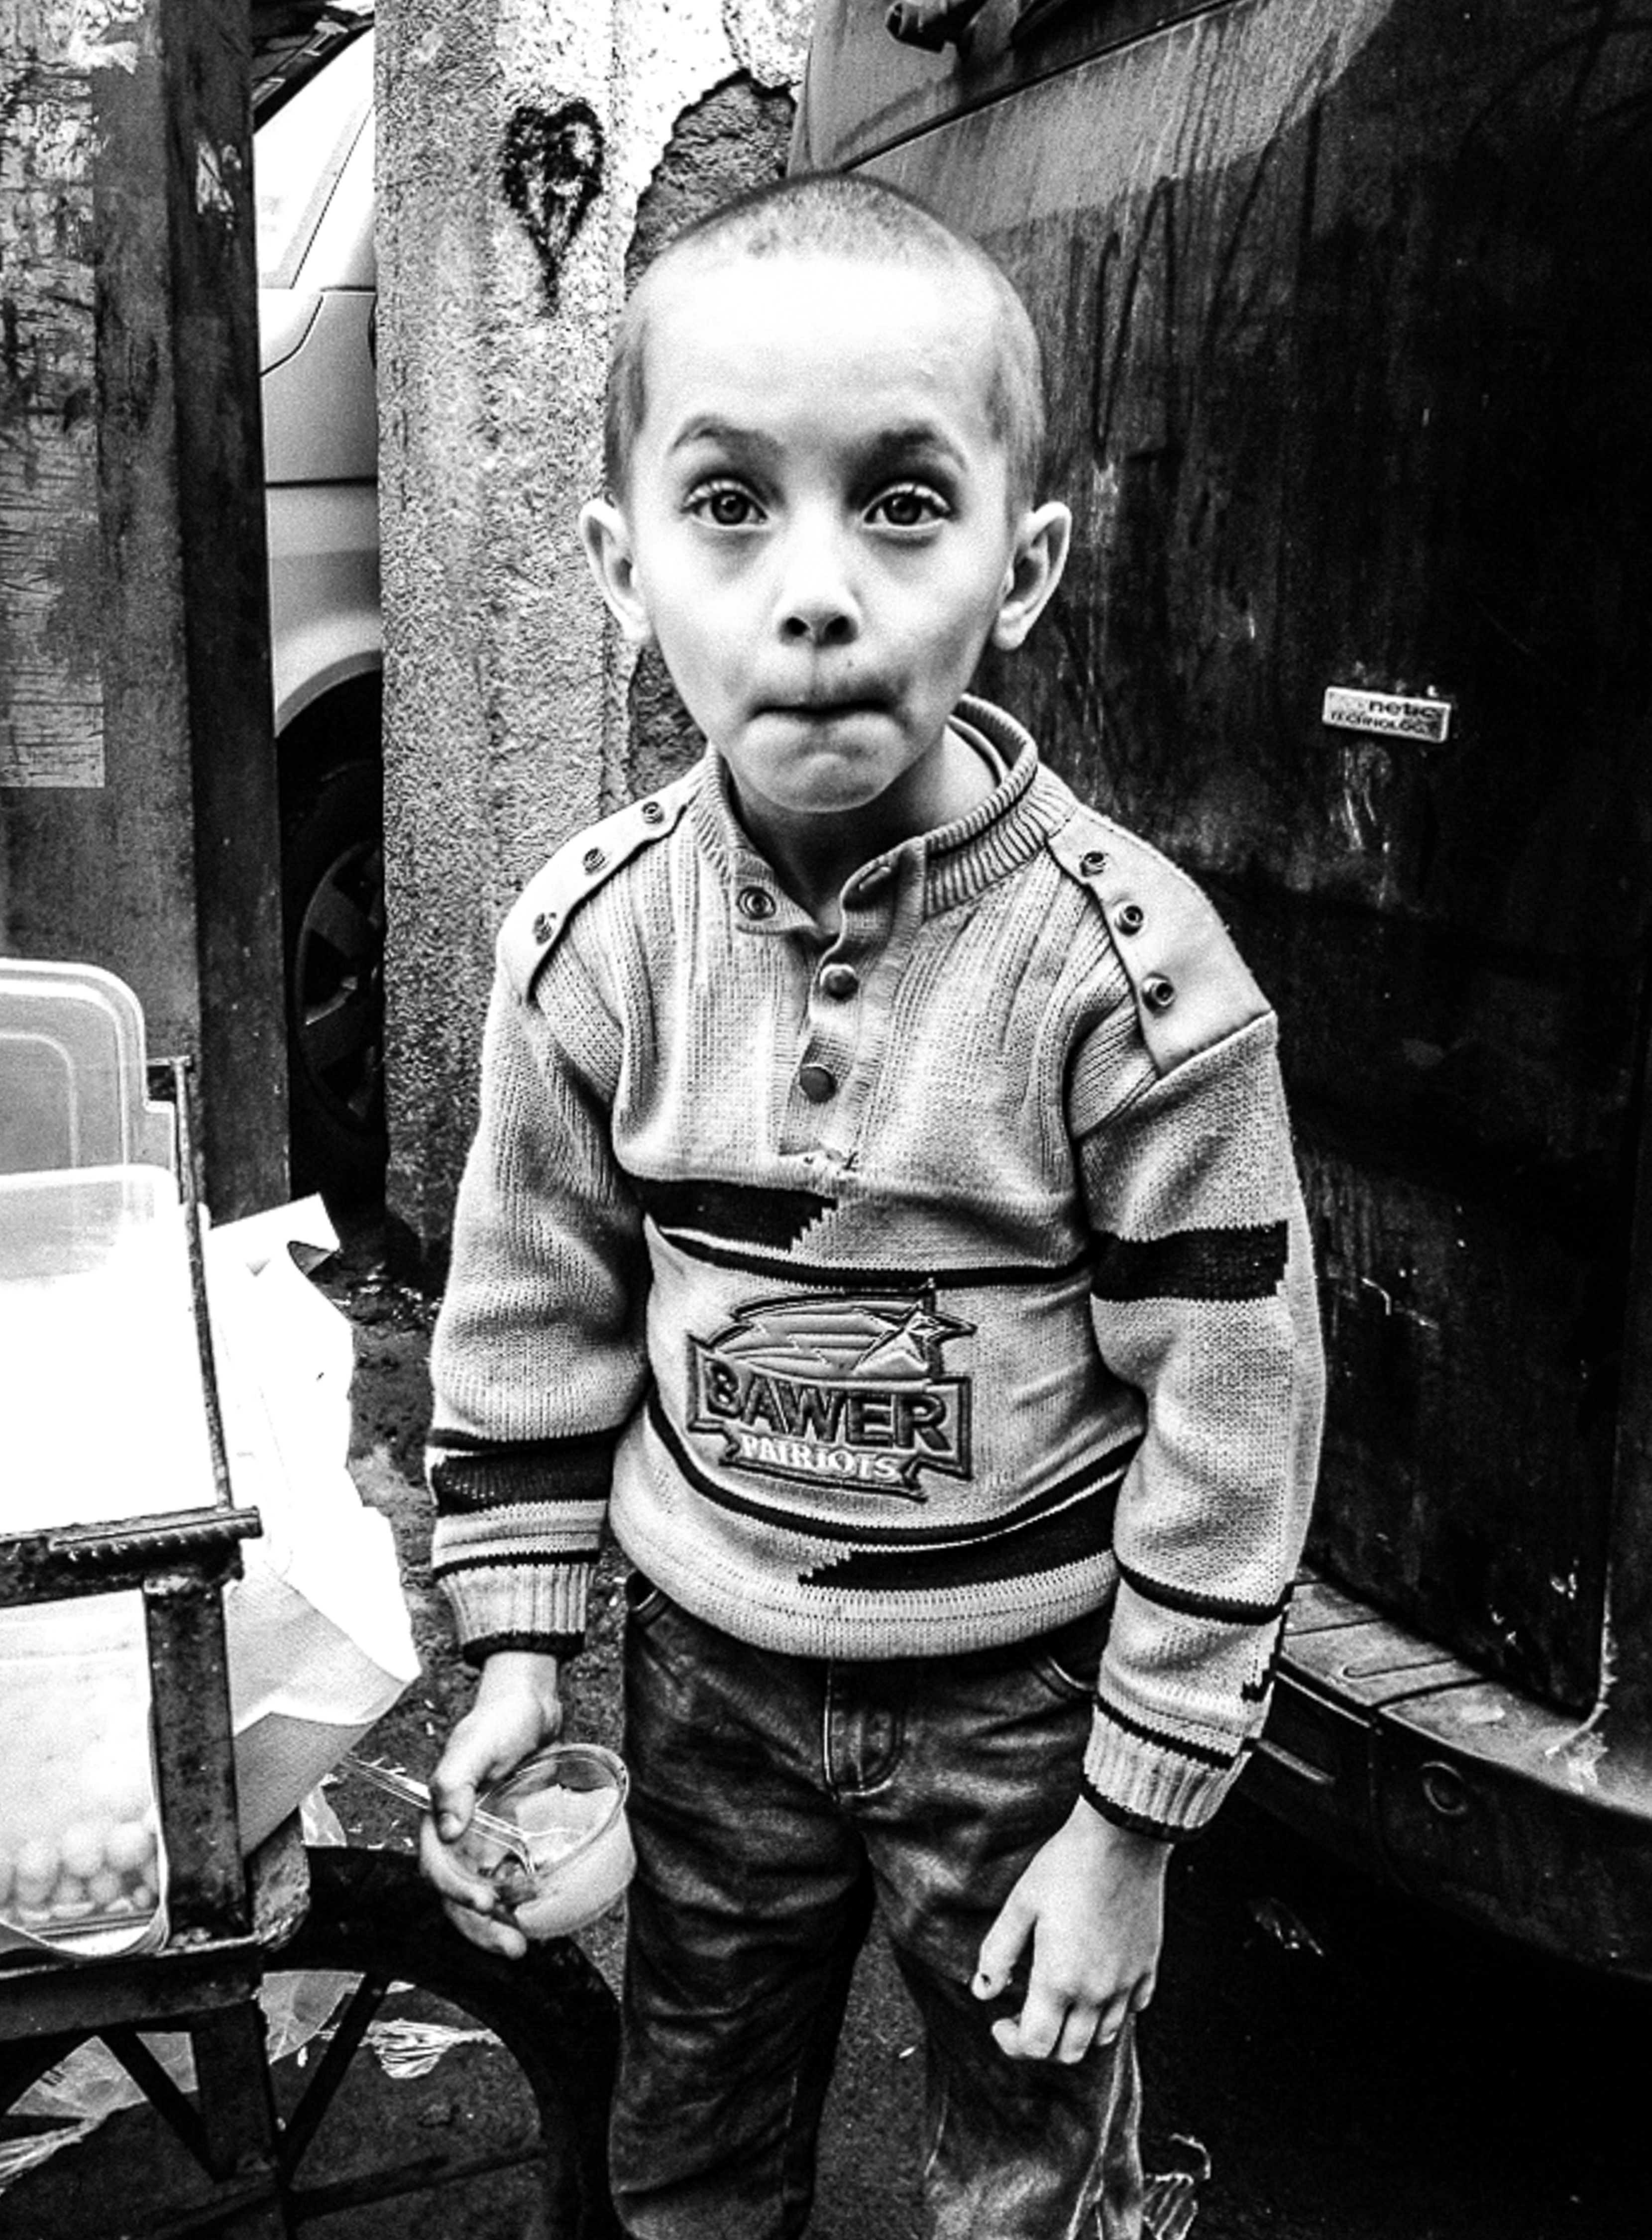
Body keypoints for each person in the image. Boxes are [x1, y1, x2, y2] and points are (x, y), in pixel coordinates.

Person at [419, 170, 1325, 2240]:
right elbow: (536, 1303)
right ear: (619, 565)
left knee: (1027, 2168)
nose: (814, 591)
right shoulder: (588, 948)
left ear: (1024, 565)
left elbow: (1232, 1415)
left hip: (1023, 1707)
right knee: (687, 2148)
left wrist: (1129, 1830)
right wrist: (520, 1659)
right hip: (706, 1688)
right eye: (729, 505)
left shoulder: (1131, 983)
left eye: (902, 506)